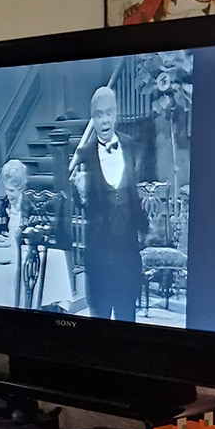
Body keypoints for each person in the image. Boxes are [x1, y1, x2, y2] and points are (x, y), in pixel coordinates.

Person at [70, 87, 147, 321]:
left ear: (116, 114)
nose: (105, 120)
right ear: (93, 119)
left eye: (109, 113)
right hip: (100, 257)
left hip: (127, 256)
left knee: (127, 322)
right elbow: (81, 203)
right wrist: (79, 193)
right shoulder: (83, 153)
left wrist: (145, 228)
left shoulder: (130, 145)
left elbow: (134, 193)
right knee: (100, 326)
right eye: (99, 114)